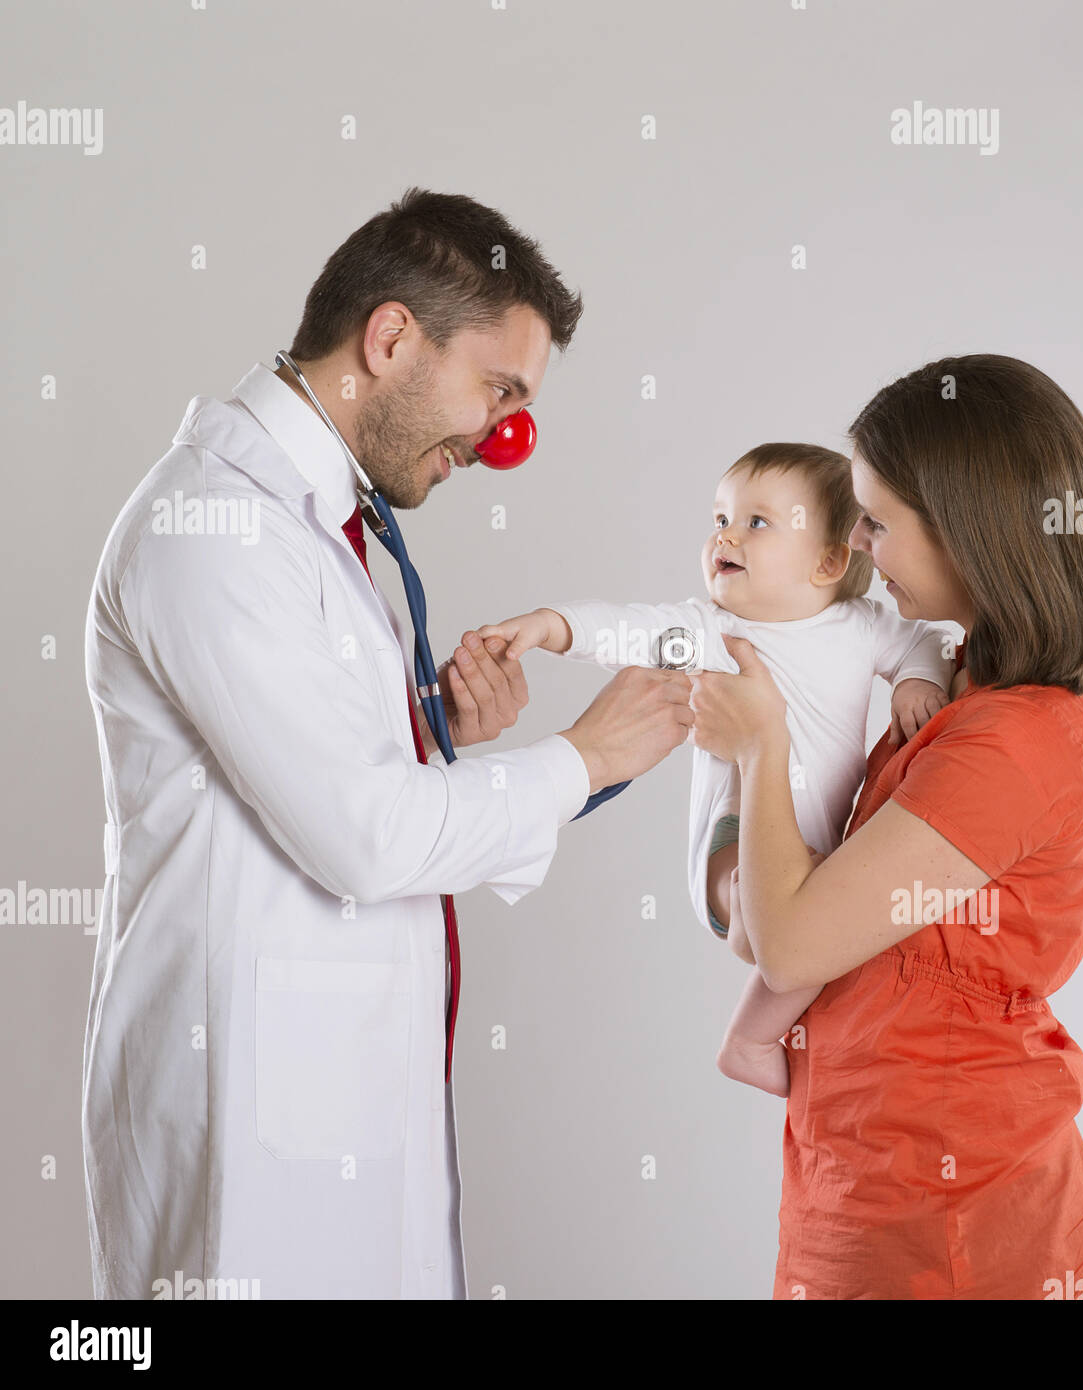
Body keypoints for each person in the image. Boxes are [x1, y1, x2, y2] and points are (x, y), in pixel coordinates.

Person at [81, 188, 693, 1300]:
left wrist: (434, 736)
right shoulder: (212, 526)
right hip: (248, 1134)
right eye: (497, 390)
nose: (507, 436)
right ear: (392, 337)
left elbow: (312, 771)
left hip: (335, 1105)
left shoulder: (322, 522)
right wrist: (583, 757)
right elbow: (359, 839)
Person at [688, 354, 1083, 1300]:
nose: (857, 544)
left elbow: (792, 945)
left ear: (970, 533)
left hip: (951, 1220)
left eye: (879, 522)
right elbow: (770, 920)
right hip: (876, 1171)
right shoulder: (973, 668)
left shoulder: (1016, 741)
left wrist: (761, 745)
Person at [474, 443, 953, 1098]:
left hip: (817, 861)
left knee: (830, 925)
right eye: (719, 518)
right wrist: (551, 626)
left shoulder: (861, 627)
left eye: (757, 522)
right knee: (800, 924)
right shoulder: (711, 632)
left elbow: (929, 640)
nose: (724, 535)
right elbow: (625, 629)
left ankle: (745, 1038)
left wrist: (913, 683)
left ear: (829, 561)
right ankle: (756, 1023)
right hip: (732, 852)